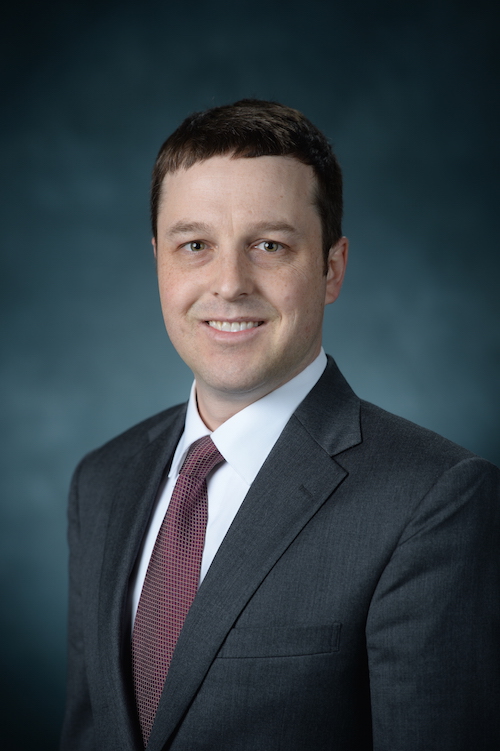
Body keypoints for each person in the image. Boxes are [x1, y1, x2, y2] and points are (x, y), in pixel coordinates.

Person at [61, 99, 500, 751]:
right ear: (158, 260)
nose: (229, 284)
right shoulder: (101, 481)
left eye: (269, 245)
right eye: (195, 245)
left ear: (331, 268)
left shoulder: (435, 499)